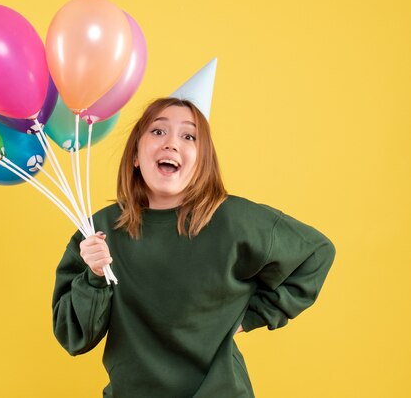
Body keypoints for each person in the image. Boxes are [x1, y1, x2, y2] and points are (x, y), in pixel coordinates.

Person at [52, 97, 335, 398]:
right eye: (158, 132)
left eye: (189, 136)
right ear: (135, 153)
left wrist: (253, 315)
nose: (171, 144)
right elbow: (74, 336)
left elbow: (316, 252)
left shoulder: (233, 220)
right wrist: (95, 276)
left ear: (202, 161)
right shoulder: (99, 232)